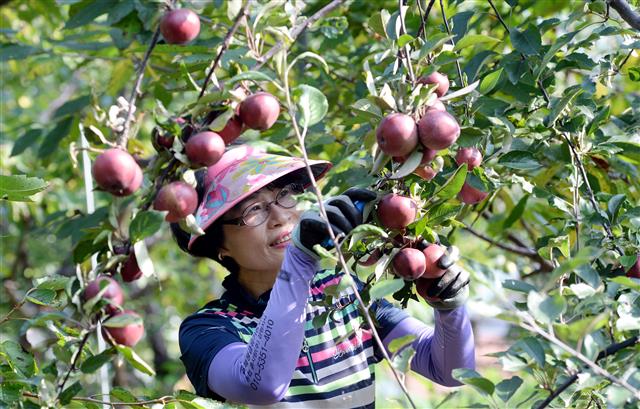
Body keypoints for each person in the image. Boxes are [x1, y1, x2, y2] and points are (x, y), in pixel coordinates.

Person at [172, 145, 475, 408]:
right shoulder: (207, 328)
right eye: (254, 209)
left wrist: (449, 306)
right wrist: (301, 259)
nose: (280, 217)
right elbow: (260, 385)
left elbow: (447, 370)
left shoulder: (343, 296)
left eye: (284, 195)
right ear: (220, 245)